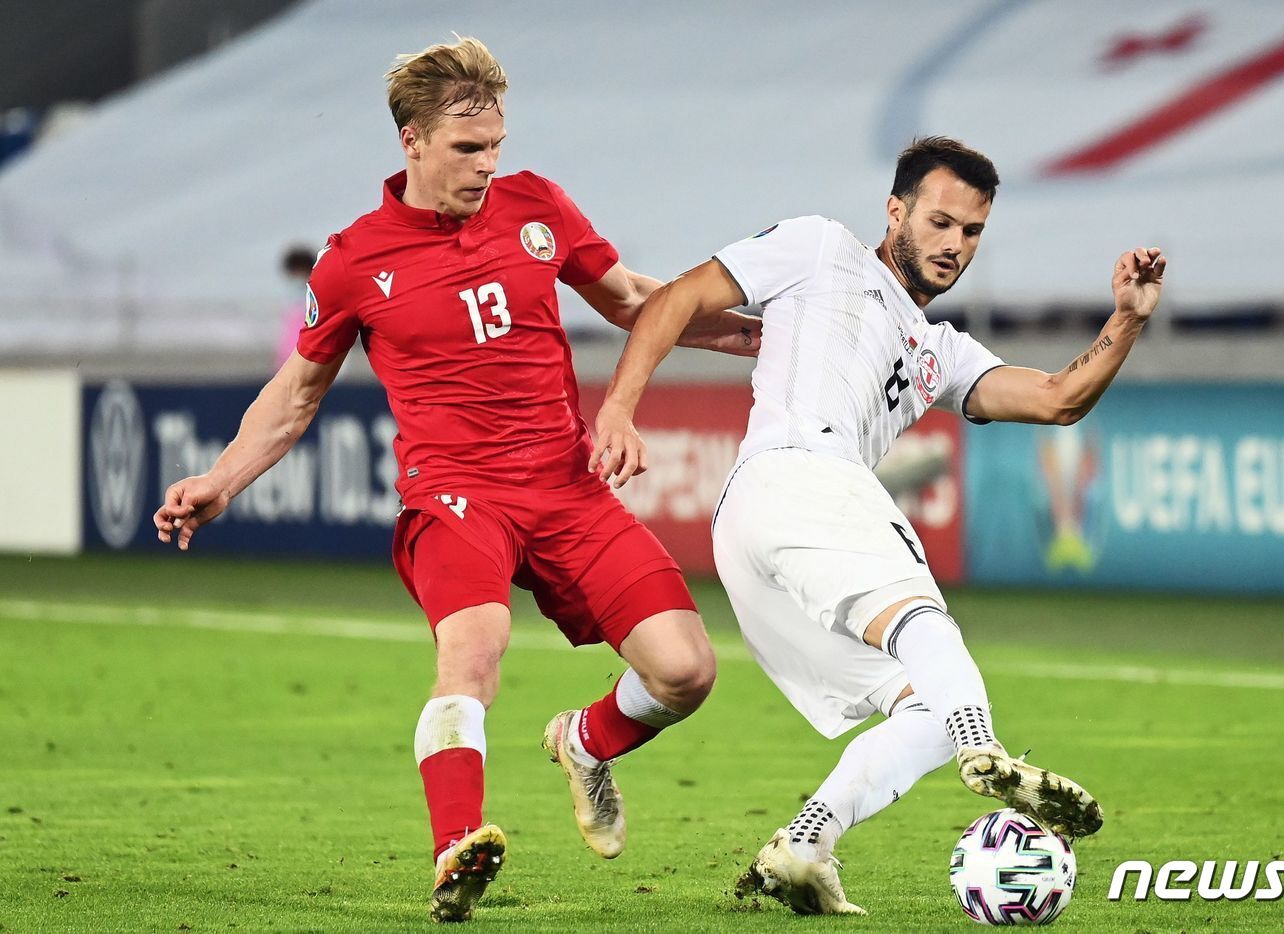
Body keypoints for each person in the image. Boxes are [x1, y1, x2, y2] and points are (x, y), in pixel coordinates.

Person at [151, 36, 760, 924]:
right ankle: (456, 851)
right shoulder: (355, 259)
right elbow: (296, 393)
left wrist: (750, 333)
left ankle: (585, 742)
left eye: (495, 146)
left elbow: (632, 299)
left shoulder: (537, 205)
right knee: (472, 651)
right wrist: (222, 478)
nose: (487, 165)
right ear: (411, 142)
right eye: (467, 149)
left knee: (686, 672)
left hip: (564, 483)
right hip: (455, 495)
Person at [588, 136, 1165, 915]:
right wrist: (620, 406)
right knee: (925, 625)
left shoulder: (942, 350)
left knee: (922, 706)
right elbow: (678, 298)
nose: (954, 244)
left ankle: (806, 843)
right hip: (798, 473)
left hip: (760, 531)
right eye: (939, 221)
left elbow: (1059, 398)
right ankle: (984, 747)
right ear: (895, 211)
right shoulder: (820, 247)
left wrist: (1125, 320)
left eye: (971, 232)